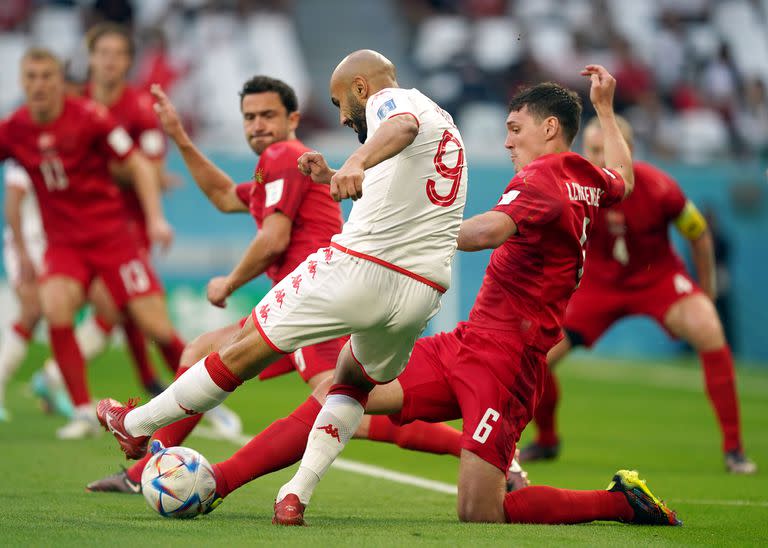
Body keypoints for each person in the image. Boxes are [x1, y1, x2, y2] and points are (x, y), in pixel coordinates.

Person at [265, 65, 681, 527]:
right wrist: (604, 107)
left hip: (506, 366)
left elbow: (487, 231)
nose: (506, 143)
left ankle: (621, 503)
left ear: (549, 128)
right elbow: (624, 176)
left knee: (479, 512)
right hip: (468, 343)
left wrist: (414, 230)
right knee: (347, 383)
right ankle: (276, 492)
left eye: (515, 129)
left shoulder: (543, 178)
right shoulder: (585, 176)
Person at [87, 71, 479, 493]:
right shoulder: (272, 169)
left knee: (344, 403)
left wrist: (231, 283)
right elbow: (223, 195)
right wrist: (180, 138)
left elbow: (273, 239)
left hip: (327, 290)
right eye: (249, 116)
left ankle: (476, 451)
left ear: (293, 119)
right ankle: (143, 464)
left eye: (268, 115)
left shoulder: (289, 155)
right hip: (378, 288)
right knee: (337, 397)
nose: (258, 125)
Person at [519, 116, 757, 475]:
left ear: (624, 152)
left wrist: (704, 295)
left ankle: (734, 449)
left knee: (708, 328)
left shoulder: (660, 187)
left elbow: (699, 233)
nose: (596, 159)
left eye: (604, 151)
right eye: (591, 150)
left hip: (656, 280)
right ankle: (548, 439)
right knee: (538, 354)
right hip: (598, 287)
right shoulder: (576, 188)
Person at [0, 48, 177, 439]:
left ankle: (199, 397)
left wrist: (155, 218)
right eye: (32, 77)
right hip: (64, 244)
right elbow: (13, 196)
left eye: (48, 76)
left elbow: (138, 165)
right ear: (22, 82)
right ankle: (81, 410)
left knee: (156, 326)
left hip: (112, 235)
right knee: (54, 307)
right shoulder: (13, 129)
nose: (40, 84)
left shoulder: (90, 117)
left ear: (61, 82)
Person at [40, 23, 182, 398]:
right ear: (91, 59)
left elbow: (147, 168)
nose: (110, 62)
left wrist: (106, 166)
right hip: (80, 225)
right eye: (102, 53)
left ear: (129, 62)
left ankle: (60, 376)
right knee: (114, 306)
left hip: (128, 223)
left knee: (130, 309)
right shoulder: (74, 103)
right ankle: (152, 380)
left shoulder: (139, 109)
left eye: (118, 54)